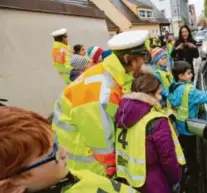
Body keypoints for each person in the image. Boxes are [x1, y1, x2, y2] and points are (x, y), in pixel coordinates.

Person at [51, 30, 150, 178]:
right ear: (129, 58)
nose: (144, 62)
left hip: (88, 147)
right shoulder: (101, 93)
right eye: (142, 58)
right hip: (86, 160)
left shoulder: (115, 72)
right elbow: (101, 143)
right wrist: (114, 170)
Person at [0, 106, 138, 193]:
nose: (64, 151)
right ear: (10, 188)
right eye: (53, 154)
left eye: (57, 143)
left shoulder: (61, 175)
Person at [115, 72, 185, 193]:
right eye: (158, 93)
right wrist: (176, 178)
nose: (160, 98)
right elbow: (168, 157)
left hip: (130, 178)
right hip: (156, 182)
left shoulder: (122, 114)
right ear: (148, 95)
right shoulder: (156, 120)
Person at [167, 61, 207, 192]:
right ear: (181, 76)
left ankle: (187, 168)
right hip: (190, 129)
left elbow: (168, 95)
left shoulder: (174, 87)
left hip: (180, 127)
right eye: (189, 73)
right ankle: (191, 177)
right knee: (192, 155)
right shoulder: (189, 91)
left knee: (186, 151)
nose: (192, 75)